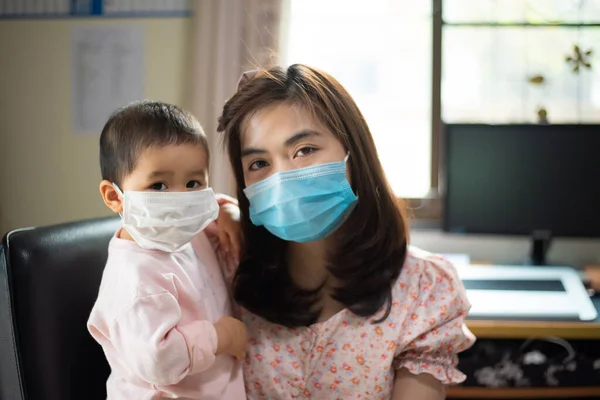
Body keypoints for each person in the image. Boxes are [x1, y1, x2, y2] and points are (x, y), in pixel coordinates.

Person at [217, 65, 476, 399]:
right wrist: (214, 210)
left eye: (304, 150)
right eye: (259, 164)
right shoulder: (225, 263)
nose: (282, 177)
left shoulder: (424, 288)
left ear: (353, 151)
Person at [88, 101, 247, 399]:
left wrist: (226, 209)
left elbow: (210, 216)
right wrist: (220, 337)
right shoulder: (134, 281)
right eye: (159, 186)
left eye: (193, 183)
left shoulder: (187, 230)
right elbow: (159, 361)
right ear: (115, 196)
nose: (180, 202)